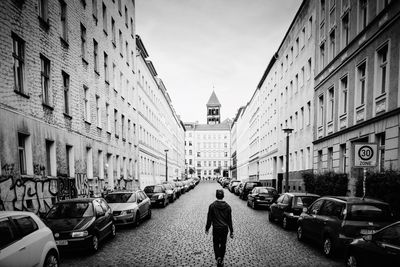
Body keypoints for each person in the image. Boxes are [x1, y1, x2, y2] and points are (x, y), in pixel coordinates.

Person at [205, 189, 233, 267]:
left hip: (216, 228)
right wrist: (231, 231)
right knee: (223, 244)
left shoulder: (212, 206)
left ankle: (218, 257)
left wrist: (207, 228)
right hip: (224, 228)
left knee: (216, 244)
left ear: (216, 195)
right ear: (223, 196)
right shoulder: (228, 207)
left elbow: (209, 219)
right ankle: (222, 258)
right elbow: (229, 220)